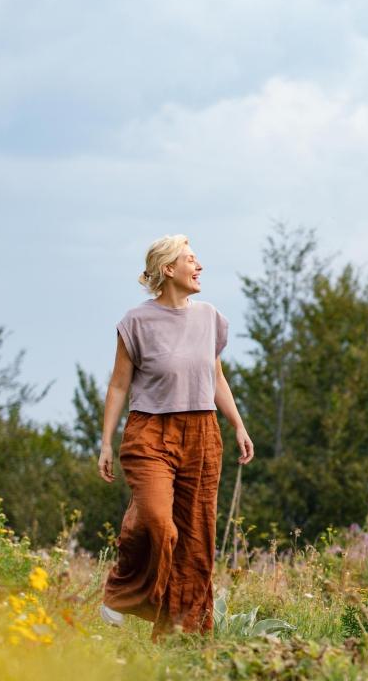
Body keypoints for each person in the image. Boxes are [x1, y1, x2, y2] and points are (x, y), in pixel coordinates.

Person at [96, 234, 254, 637]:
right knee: (156, 522)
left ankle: (181, 631)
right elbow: (118, 386)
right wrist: (105, 441)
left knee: (196, 534)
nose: (199, 266)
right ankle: (121, 592)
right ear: (169, 269)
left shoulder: (210, 317)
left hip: (202, 432)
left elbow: (215, 376)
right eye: (190, 259)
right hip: (149, 429)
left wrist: (237, 424)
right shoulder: (136, 322)